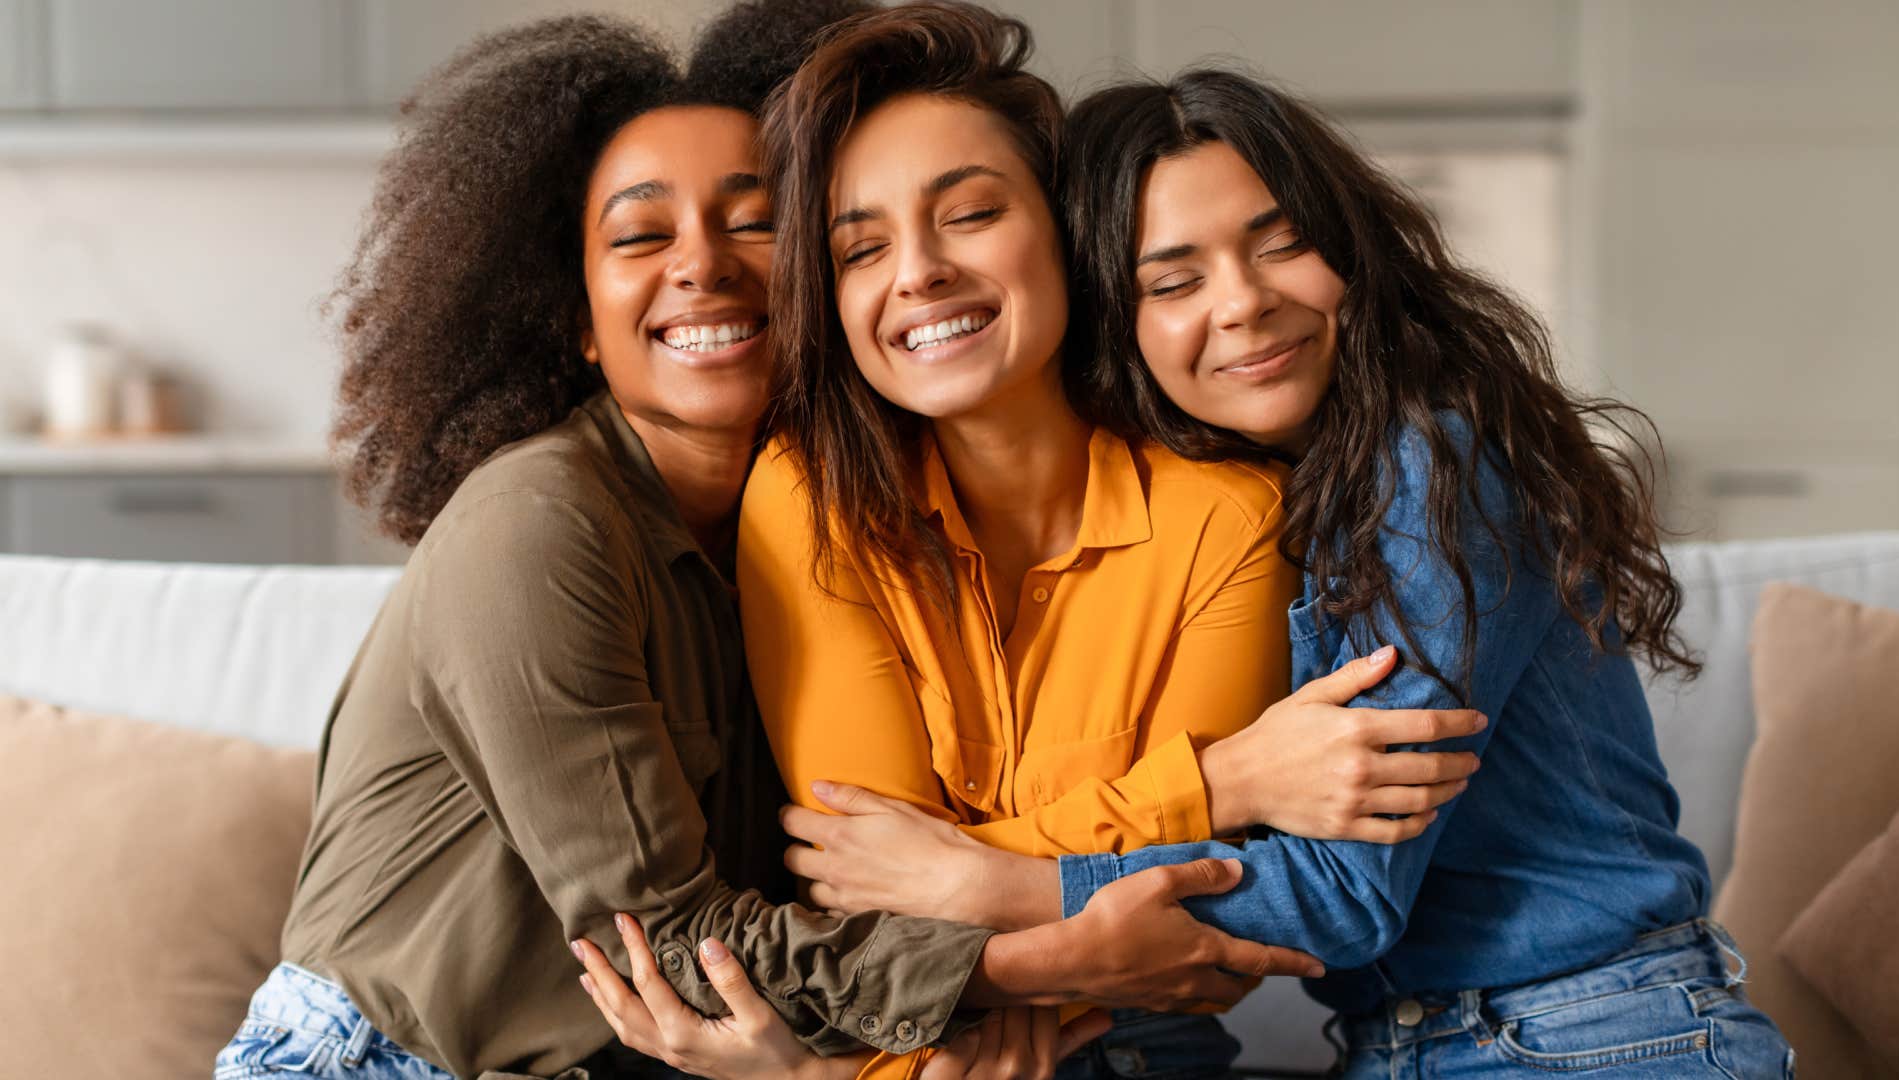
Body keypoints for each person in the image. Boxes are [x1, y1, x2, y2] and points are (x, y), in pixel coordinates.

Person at [214, 12, 1317, 1080]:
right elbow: (666, 937)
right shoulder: (537, 523)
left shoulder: (787, 515)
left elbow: (833, 898)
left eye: (754, 223)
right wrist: (1036, 959)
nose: (703, 266)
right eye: (643, 236)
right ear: (574, 325)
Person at [768, 68, 1797, 1078]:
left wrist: (998, 886)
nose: (1244, 303)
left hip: (1597, 1036)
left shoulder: (1431, 465)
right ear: (1115, 323)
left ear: (1352, 255)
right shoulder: (1277, 500)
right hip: (1428, 1046)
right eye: (1173, 281)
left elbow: (1344, 896)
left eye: (1282, 245)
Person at [575, 6, 1481, 1079]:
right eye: (862, 247)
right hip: (900, 1054)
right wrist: (1218, 782)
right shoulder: (811, 495)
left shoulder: (1228, 515)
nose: (916, 273)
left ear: (1063, 232)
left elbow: (1204, 941)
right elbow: (873, 902)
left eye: (969, 214)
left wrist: (964, 875)